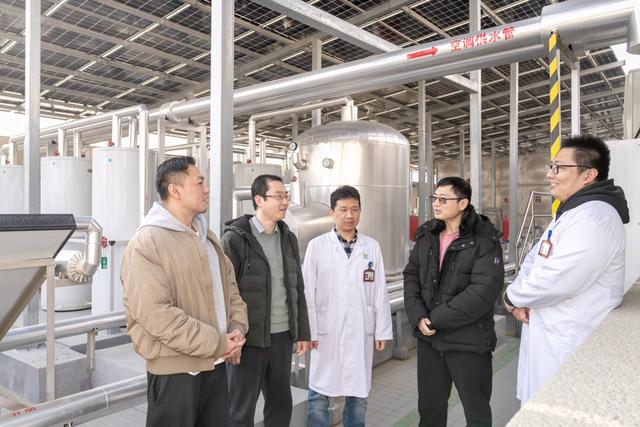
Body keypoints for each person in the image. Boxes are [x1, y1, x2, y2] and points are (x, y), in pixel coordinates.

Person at [121, 156, 248, 427]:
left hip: (215, 365)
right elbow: (156, 315)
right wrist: (218, 342)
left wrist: (237, 328)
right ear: (175, 190)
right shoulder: (147, 243)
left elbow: (231, 291)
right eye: (199, 182)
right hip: (176, 374)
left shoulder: (207, 237)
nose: (207, 189)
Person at [504, 135, 629, 405]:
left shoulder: (596, 217)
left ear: (588, 175)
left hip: (571, 343)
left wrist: (512, 298)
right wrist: (521, 299)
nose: (550, 174)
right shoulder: (572, 212)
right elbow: (534, 260)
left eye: (558, 167)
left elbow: (558, 279)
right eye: (551, 166)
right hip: (551, 335)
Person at [404, 176, 504, 427]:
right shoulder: (427, 235)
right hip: (430, 340)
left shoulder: (484, 240)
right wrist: (418, 316)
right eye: (434, 198)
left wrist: (434, 319)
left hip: (468, 342)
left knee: (476, 412)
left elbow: (482, 292)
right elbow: (411, 276)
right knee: (430, 410)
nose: (436, 204)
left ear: (462, 203)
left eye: (443, 199)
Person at [221, 174, 311, 427]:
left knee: (280, 405)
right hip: (248, 339)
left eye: (286, 196)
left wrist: (302, 332)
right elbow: (224, 293)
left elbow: (297, 287)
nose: (285, 202)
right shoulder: (235, 239)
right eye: (278, 196)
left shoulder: (288, 237)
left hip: (282, 338)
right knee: (240, 409)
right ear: (259, 200)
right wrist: (230, 337)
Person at [302, 186, 393, 427]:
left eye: (354, 209)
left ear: (360, 211)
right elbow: (307, 291)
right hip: (325, 331)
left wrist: (382, 330)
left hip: (360, 329)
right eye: (343, 210)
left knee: (358, 397)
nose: (349, 215)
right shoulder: (317, 246)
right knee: (319, 397)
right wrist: (309, 331)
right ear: (332, 213)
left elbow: (380, 291)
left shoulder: (371, 247)